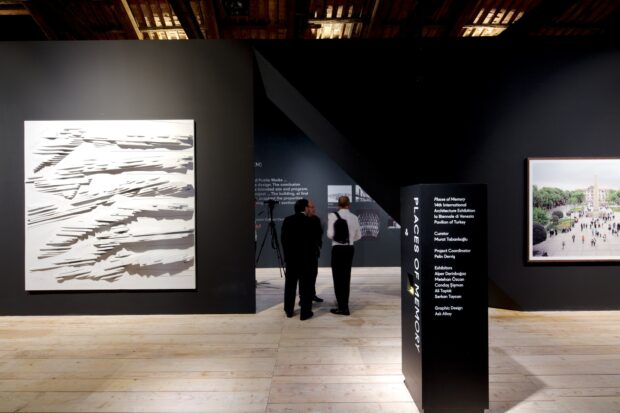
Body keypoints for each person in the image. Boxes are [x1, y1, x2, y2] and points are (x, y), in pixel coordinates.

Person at [280, 199, 316, 321]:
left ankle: (289, 310)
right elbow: (313, 243)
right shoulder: (310, 221)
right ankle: (305, 313)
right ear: (305, 208)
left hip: (291, 259)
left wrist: (287, 256)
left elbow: (283, 240)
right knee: (305, 286)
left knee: (290, 285)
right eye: (309, 207)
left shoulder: (288, 220)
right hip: (306, 260)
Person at [327, 195, 361, 316]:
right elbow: (358, 236)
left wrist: (338, 238)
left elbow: (330, 234)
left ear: (338, 205)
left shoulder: (332, 216)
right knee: (346, 277)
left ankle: (341, 306)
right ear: (349, 204)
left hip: (337, 249)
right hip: (349, 249)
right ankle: (344, 305)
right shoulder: (354, 217)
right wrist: (350, 239)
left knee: (337, 277)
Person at [307, 200, 324, 303]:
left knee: (314, 273)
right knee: (305, 276)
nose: (314, 209)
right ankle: (304, 297)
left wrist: (318, 245)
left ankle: (312, 294)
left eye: (314, 207)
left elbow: (319, 233)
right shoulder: (303, 219)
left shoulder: (316, 219)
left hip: (314, 251)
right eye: (311, 207)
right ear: (306, 208)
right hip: (304, 252)